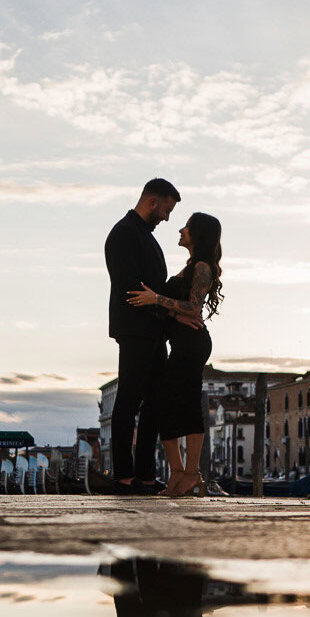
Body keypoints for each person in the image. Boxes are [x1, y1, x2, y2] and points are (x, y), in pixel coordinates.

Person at [129, 211, 222, 500]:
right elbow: (182, 307)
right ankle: (178, 474)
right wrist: (171, 311)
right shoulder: (190, 266)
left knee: (187, 404)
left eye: (187, 227)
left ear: (198, 235)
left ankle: (191, 474)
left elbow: (194, 308)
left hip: (192, 345)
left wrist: (156, 299)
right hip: (181, 343)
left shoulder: (203, 267)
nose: (181, 230)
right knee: (164, 405)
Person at [103, 178, 181, 494]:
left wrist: (164, 303)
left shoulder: (144, 237)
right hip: (135, 331)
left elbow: (153, 289)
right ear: (152, 201)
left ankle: (146, 476)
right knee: (129, 402)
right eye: (166, 209)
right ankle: (124, 477)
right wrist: (165, 307)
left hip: (152, 332)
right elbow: (131, 290)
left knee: (155, 405)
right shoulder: (123, 234)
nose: (167, 217)